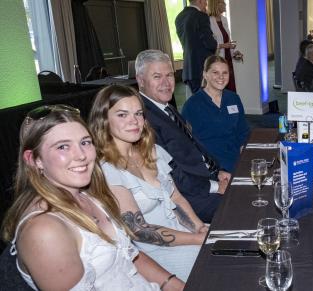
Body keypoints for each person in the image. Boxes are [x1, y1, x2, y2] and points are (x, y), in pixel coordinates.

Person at [2, 105, 183, 290]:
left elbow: (129, 258)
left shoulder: (89, 195)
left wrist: (173, 283)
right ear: (34, 160)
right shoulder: (44, 230)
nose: (81, 155)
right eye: (63, 147)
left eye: (85, 142)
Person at [89, 85, 205, 281]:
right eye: (122, 115)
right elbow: (139, 230)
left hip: (183, 233)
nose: (134, 121)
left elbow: (175, 197)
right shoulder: (107, 169)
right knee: (216, 266)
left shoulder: (153, 151)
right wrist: (196, 240)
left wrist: (198, 226)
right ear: (104, 120)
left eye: (138, 113)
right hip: (153, 252)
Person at [135, 49, 230, 223]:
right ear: (141, 81)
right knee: (246, 207)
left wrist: (216, 172)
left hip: (204, 178)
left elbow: (192, 145)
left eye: (169, 75)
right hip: (189, 196)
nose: (166, 83)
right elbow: (171, 175)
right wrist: (215, 187)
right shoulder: (142, 118)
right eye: (157, 76)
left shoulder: (165, 107)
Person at [182, 56, 250, 172]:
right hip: (210, 166)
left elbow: (242, 130)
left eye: (225, 73)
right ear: (205, 74)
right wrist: (212, 169)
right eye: (215, 72)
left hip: (236, 159)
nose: (221, 77)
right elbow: (187, 144)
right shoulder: (192, 105)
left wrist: (244, 151)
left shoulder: (233, 98)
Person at [175, 0, 218, 95]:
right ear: (200, 1)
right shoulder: (201, 16)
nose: (206, 4)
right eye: (205, 1)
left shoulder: (179, 17)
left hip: (188, 69)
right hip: (202, 68)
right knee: (207, 102)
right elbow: (210, 44)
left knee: (197, 102)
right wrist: (215, 41)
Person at [207, 0, 242, 92]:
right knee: (219, 88)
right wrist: (223, 46)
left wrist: (234, 52)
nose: (225, 4)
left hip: (228, 59)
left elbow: (227, 40)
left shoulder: (224, 19)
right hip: (217, 60)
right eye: (222, 2)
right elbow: (209, 44)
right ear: (216, 4)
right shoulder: (208, 21)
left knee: (230, 89)